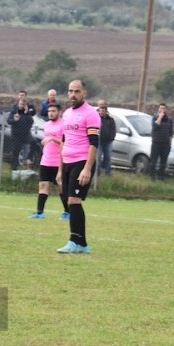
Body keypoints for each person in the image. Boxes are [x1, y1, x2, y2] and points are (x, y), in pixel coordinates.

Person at [56, 80, 100, 254]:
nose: (73, 95)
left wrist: (87, 168)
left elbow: (94, 143)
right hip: (67, 162)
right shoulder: (66, 114)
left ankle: (74, 241)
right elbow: (64, 142)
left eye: (77, 91)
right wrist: (60, 169)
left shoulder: (91, 114)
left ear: (84, 93)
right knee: (70, 202)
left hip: (82, 162)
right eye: (70, 91)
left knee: (74, 201)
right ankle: (83, 244)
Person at [29, 102, 70, 220]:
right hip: (46, 160)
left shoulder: (64, 125)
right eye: (49, 111)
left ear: (59, 112)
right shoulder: (46, 125)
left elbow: (65, 142)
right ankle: (40, 213)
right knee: (42, 185)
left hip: (58, 162)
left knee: (61, 188)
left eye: (53, 111)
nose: (51, 113)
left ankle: (67, 212)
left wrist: (52, 138)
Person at [7, 90, 36, 170]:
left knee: (34, 143)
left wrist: (27, 113)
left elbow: (31, 121)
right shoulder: (14, 111)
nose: (21, 105)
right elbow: (8, 121)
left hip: (26, 134)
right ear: (18, 104)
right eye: (20, 104)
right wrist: (14, 120)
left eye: (23, 104)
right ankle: (14, 167)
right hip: (16, 134)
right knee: (15, 151)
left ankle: (28, 159)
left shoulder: (27, 112)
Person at [148, 103, 173, 181]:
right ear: (158, 109)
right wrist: (160, 117)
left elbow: (170, 133)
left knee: (163, 162)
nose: (162, 109)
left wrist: (170, 143)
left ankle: (161, 176)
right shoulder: (154, 118)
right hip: (156, 143)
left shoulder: (169, 120)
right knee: (153, 161)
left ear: (166, 110)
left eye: (164, 108)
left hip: (165, 144)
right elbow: (155, 127)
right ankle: (152, 176)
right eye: (161, 108)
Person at [95, 99, 116, 176]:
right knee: (98, 158)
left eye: (104, 109)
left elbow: (113, 129)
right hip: (99, 141)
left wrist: (112, 137)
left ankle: (108, 173)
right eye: (101, 109)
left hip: (108, 142)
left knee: (108, 158)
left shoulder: (110, 119)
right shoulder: (96, 118)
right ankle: (97, 173)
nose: (102, 111)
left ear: (106, 110)